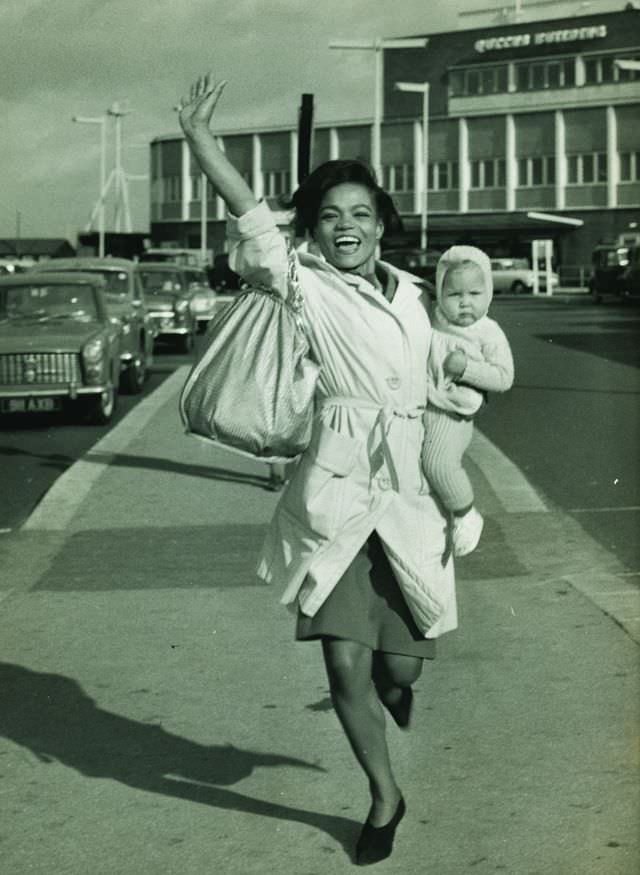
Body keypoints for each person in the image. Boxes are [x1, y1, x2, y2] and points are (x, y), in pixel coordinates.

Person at [178, 73, 458, 867]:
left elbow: (434, 377)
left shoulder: (411, 293)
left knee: (398, 663)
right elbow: (257, 225)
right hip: (338, 490)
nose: (346, 227)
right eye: (330, 215)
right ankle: (383, 793)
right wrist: (204, 146)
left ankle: (398, 689)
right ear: (315, 226)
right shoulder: (305, 287)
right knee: (343, 664)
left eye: (360, 215)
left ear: (381, 225)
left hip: (406, 492)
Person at [422, 246, 514, 556]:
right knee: (421, 472)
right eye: (454, 294)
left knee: (439, 464)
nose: (465, 302)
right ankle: (444, 518)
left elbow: (503, 377)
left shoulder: (487, 332)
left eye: (475, 293)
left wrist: (467, 369)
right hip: (422, 405)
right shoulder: (432, 319)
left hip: (452, 412)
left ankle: (465, 514)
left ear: (487, 292)